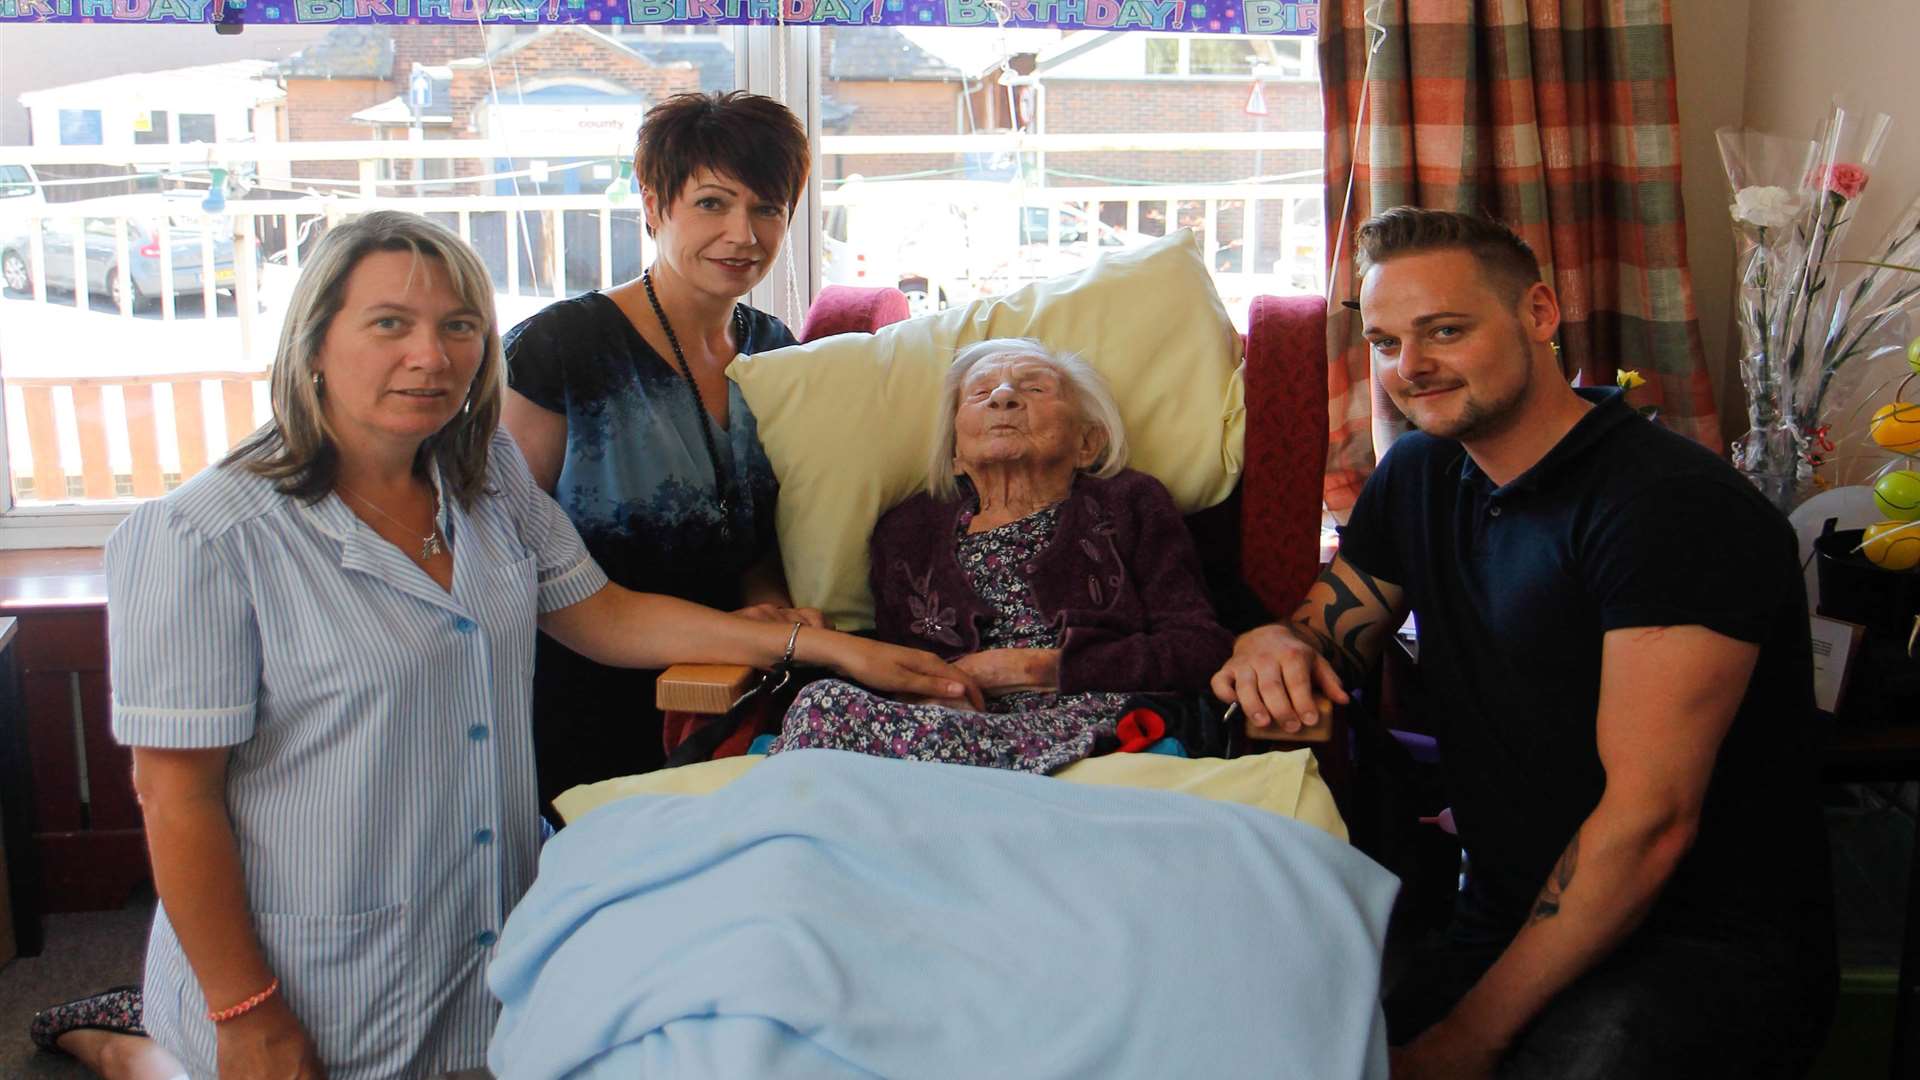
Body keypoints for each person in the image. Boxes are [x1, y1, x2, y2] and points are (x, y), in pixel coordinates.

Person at [29, 211, 978, 1080]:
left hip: (484, 930)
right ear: (315, 342)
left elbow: (601, 615)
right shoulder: (201, 536)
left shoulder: (481, 480)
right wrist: (245, 1014)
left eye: (458, 326)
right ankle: (141, 1047)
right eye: (390, 324)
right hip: (309, 975)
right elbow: (174, 793)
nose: (431, 356)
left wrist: (825, 646)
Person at [1212, 207, 1836, 1078]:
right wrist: (1268, 646)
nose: (1411, 368)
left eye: (1446, 331)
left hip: (1696, 946)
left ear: (1539, 314)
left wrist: (1467, 1041)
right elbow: (1322, 642)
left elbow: (1648, 824)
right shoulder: (1423, 473)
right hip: (1503, 915)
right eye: (1387, 342)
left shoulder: (1669, 511)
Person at [501, 90, 821, 808]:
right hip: (583, 692)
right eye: (712, 203)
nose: (743, 234)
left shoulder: (777, 350)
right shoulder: (560, 349)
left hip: (737, 691)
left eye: (767, 209)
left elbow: (761, 532)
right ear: (653, 203)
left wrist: (769, 604)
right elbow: (504, 552)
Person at [770, 338, 1234, 772]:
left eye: (1034, 387)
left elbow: (1199, 647)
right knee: (822, 700)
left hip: (1096, 724)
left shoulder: (1131, 502)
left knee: (822, 728)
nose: (1004, 397)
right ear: (955, 453)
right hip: (942, 729)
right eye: (980, 394)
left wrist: (1042, 667)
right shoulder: (906, 530)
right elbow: (898, 666)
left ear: (1087, 443)